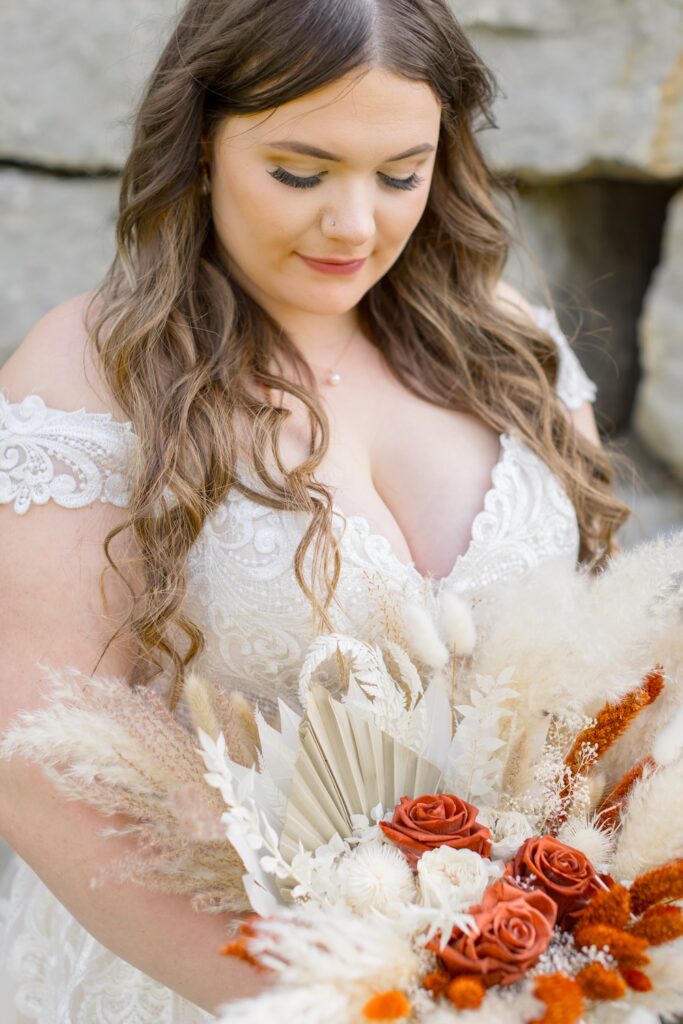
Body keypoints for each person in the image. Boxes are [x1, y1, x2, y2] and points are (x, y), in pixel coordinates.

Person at [0, 0, 630, 1019]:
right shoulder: (90, 372)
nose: (354, 223)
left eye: (399, 174)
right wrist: (332, 1000)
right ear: (200, 143)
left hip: (520, 976)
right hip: (204, 978)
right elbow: (35, 763)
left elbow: (602, 670)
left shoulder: (508, 344)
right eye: (299, 172)